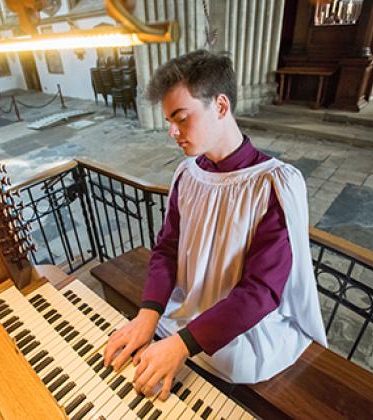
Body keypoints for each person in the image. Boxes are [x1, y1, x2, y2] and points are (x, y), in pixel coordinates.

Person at [103, 50, 327, 401]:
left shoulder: (274, 184)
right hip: (182, 317)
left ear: (220, 106)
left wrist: (181, 346)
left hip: (241, 331)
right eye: (168, 121)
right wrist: (148, 313)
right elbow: (167, 250)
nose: (173, 133)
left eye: (181, 118)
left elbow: (262, 290)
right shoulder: (187, 174)